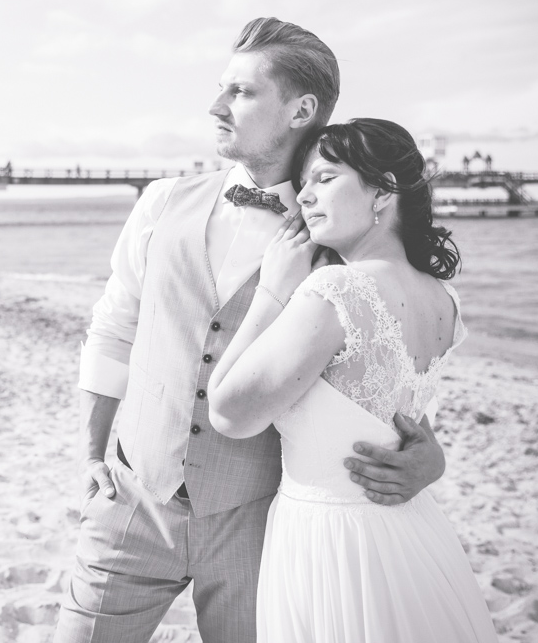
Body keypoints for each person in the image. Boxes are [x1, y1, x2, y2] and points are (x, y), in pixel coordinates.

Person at [54, 19, 448, 642]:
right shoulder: (160, 202)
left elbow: (389, 360)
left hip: (259, 525)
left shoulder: (343, 239)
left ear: (302, 109)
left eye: (240, 92)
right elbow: (114, 327)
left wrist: (430, 456)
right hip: (133, 499)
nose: (216, 106)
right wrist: (89, 453)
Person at [208, 118, 498, 641]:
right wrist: (434, 459)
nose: (305, 198)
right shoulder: (443, 299)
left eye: (325, 178)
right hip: (411, 530)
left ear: (383, 192)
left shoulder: (335, 289)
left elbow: (228, 413)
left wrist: (273, 292)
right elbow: (402, 419)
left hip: (331, 540)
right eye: (304, 184)